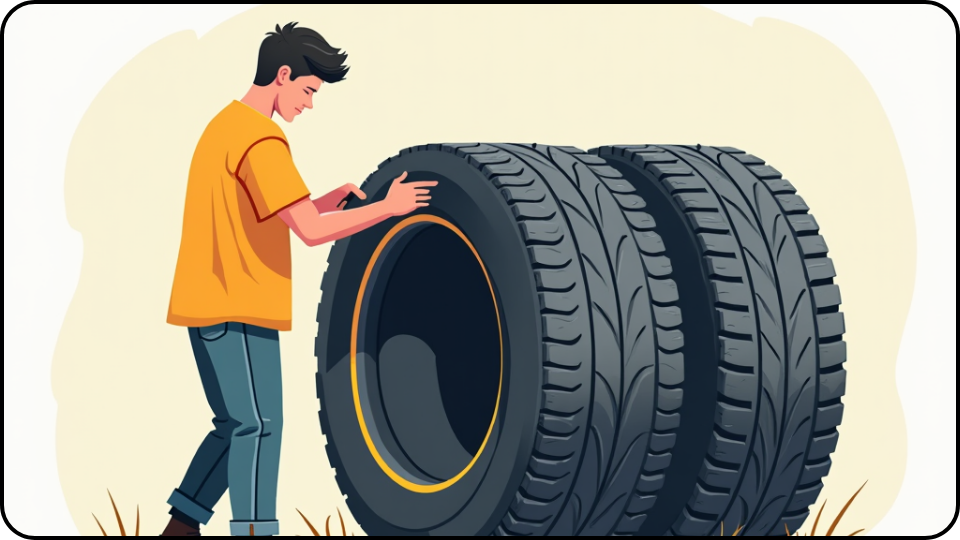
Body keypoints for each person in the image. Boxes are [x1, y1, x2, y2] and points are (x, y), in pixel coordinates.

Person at [160, 22, 437, 536]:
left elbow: (276, 210)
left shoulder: (226, 125)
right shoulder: (262, 138)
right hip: (238, 303)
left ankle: (183, 522)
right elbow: (309, 232)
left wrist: (332, 200)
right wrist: (387, 209)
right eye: (308, 90)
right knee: (259, 427)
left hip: (208, 303)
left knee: (233, 424)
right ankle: (254, 530)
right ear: (283, 75)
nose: (309, 104)